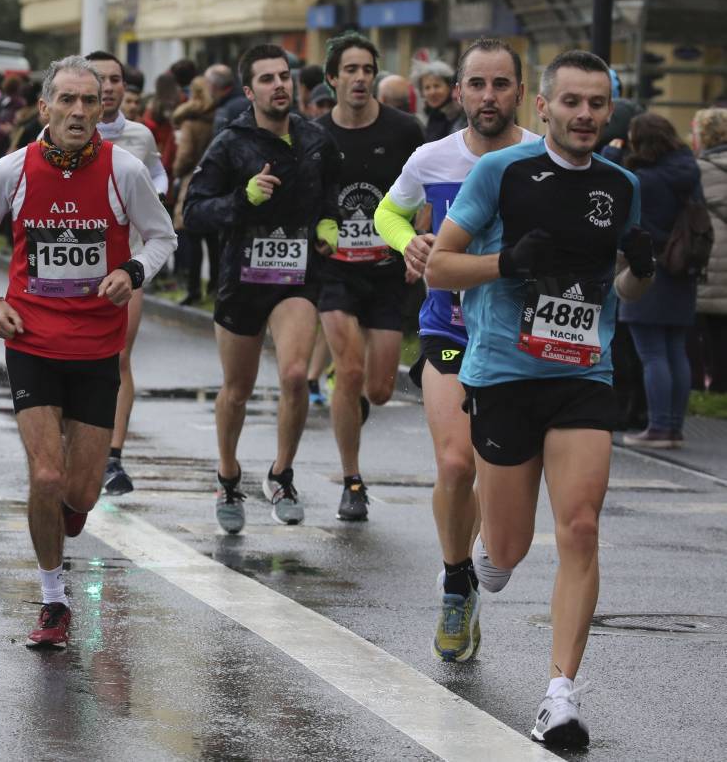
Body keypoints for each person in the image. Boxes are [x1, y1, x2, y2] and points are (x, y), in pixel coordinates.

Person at [426, 49, 654, 749]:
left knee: (580, 527)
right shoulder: (500, 172)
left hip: (583, 375)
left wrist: (642, 272)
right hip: (503, 374)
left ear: (608, 111)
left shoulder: (621, 185)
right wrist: (507, 262)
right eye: (572, 102)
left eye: (597, 104)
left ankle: (560, 694)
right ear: (544, 108)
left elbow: (620, 295)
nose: (585, 115)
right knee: (508, 549)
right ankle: (474, 566)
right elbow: (439, 263)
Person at [0, 55, 175, 648]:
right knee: (46, 474)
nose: (81, 111)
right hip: (32, 340)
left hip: (97, 346)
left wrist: (132, 270)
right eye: (69, 101)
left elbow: (162, 236)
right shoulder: (12, 170)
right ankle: (53, 599)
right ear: (45, 106)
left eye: (91, 101)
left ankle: (69, 512)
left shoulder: (122, 168)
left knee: (81, 492)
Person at [374, 37, 537, 662]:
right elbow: (391, 213)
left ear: (521, 92)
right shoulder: (432, 157)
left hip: (523, 339)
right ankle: (455, 581)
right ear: (459, 91)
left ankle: (487, 552)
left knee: (499, 475)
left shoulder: (540, 157)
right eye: (477, 84)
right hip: (449, 330)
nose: (488, 96)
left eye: (501, 85)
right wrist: (406, 245)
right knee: (454, 465)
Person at [184, 45, 340, 532]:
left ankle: (281, 473)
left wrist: (329, 223)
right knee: (237, 390)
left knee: (295, 374)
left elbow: (332, 193)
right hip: (241, 279)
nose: (279, 85)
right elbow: (192, 212)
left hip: (296, 277)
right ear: (249, 91)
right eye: (267, 79)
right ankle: (228, 474)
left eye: (284, 77)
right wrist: (242, 198)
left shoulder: (316, 138)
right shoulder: (229, 144)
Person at [316, 32, 425, 521]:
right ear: (332, 78)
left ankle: (351, 393)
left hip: (386, 270)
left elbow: (426, 192)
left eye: (367, 70)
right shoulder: (315, 133)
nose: (360, 78)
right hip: (334, 272)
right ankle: (352, 480)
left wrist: (413, 243)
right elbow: (306, 195)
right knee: (351, 370)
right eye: (351, 70)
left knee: (378, 389)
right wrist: (316, 227)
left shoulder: (404, 130)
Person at [87, 50, 169, 496]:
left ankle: (113, 458)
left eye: (116, 79)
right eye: (100, 78)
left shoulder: (140, 135)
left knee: (118, 356)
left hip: (127, 262)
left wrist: (148, 199)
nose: (110, 86)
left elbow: (160, 177)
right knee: (71, 358)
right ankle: (75, 443)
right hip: (73, 266)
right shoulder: (64, 132)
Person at [618, 113, 702, 449]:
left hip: (649, 270)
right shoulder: (688, 171)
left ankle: (657, 427)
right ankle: (674, 426)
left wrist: (613, 155)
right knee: (676, 351)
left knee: (652, 354)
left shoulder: (643, 179)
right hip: (683, 269)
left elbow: (630, 224)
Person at [171, 76, 218, 306]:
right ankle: (214, 286)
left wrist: (177, 171)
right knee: (213, 238)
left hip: (193, 181)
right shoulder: (216, 118)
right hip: (216, 181)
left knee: (191, 236)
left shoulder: (189, 122)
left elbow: (185, 156)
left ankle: (193, 289)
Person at [692, 107, 727, 392]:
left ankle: (700, 390)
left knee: (700, 331)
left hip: (708, 259)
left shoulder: (698, 170)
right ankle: (721, 389)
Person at [416, 60, 467, 142]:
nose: (432, 92)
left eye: (437, 86)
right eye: (427, 88)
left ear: (449, 87)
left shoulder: (462, 116)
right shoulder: (422, 120)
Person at [206, 63, 249, 132]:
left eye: (207, 83)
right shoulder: (241, 98)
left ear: (213, 86)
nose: (206, 87)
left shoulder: (229, 108)